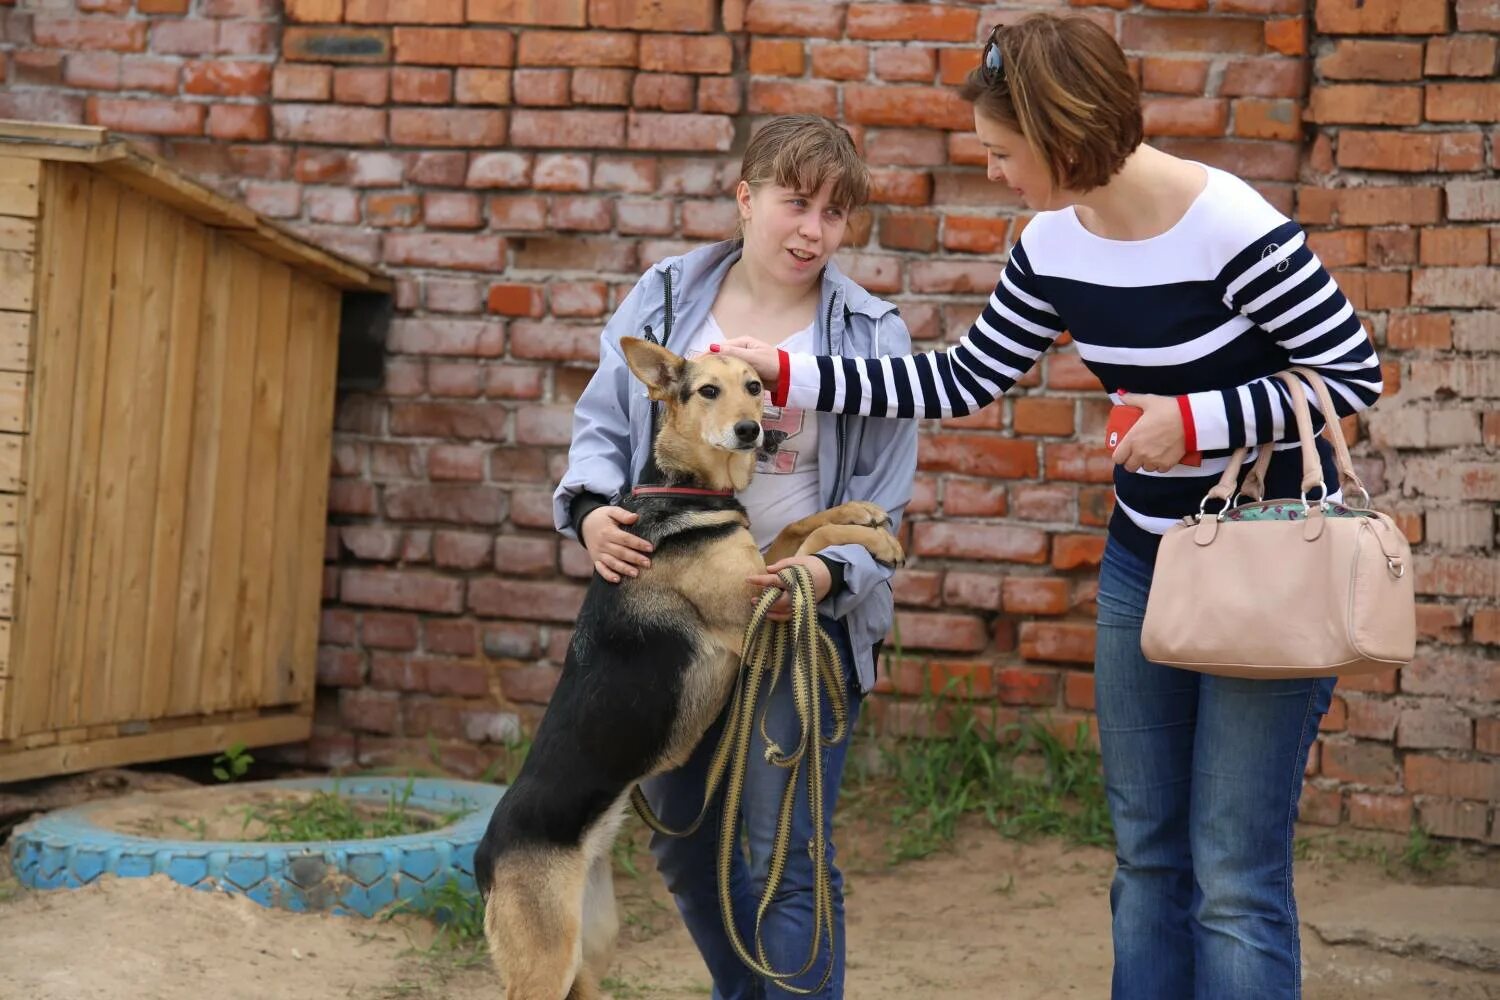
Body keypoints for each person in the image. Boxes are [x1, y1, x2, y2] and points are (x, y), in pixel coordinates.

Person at [714, 16, 1381, 1000]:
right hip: (1142, 563)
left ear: (1059, 135)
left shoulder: (1232, 229)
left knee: (1233, 874)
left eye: (1000, 152)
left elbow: (1353, 378)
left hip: (1266, 567)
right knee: (1148, 853)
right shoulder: (1053, 244)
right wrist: (783, 369)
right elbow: (960, 380)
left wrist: (1192, 422)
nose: (993, 173)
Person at [553, 114, 919, 999]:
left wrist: (830, 573)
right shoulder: (666, 298)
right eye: (796, 204)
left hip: (803, 620)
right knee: (682, 848)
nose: (813, 231)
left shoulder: (871, 334)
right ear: (747, 198)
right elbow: (604, 422)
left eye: (835, 214)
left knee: (786, 857)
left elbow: (886, 497)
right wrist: (594, 513)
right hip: (674, 615)